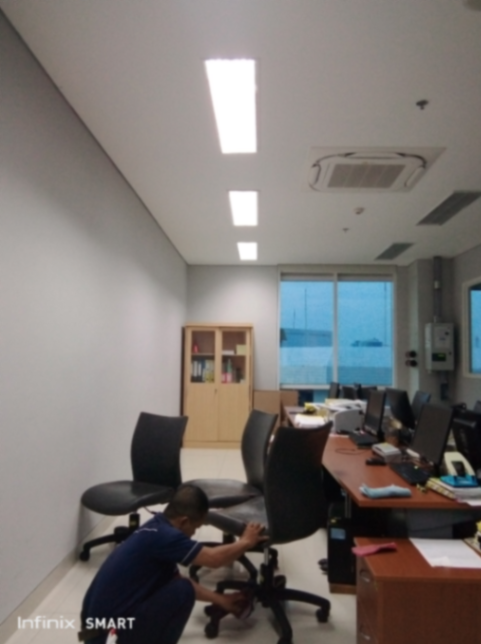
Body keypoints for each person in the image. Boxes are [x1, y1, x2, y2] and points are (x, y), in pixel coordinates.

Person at [79, 484, 266, 644]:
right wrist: (246, 542)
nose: (194, 534)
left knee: (180, 586)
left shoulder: (155, 527)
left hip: (93, 627)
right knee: (183, 592)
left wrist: (221, 600)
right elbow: (214, 559)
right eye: (195, 528)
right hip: (108, 632)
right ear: (184, 521)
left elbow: (176, 579)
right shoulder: (167, 537)